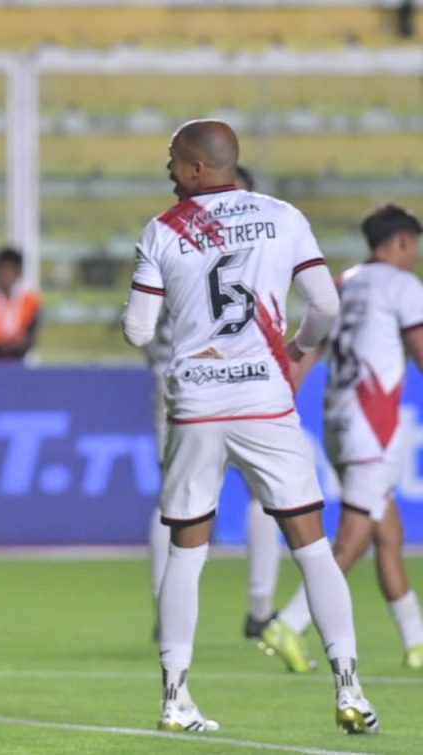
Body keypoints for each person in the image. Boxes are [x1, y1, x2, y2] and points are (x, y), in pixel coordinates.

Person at [122, 119, 378, 734]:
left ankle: (175, 698)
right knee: (311, 547)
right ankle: (349, 689)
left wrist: (181, 334)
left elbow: (138, 330)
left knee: (187, 552)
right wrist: (296, 348)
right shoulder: (282, 216)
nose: (168, 170)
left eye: (173, 160)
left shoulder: (163, 229)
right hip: (264, 398)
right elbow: (326, 305)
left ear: (196, 168)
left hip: (196, 404)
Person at [263, 204, 423, 672]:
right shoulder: (403, 287)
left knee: (387, 531)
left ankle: (416, 641)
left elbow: (307, 349)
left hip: (337, 419)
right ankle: (289, 623)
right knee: (353, 537)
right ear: (401, 242)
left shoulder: (341, 284)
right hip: (373, 424)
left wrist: (284, 391)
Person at [146, 164, 282, 642]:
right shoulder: (257, 247)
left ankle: (241, 609)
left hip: (192, 380)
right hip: (227, 381)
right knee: (233, 493)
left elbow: (144, 324)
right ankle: (250, 610)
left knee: (190, 496)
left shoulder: (169, 236)